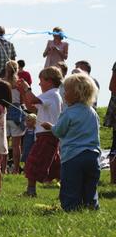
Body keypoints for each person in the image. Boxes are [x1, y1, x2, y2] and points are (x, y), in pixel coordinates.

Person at [43, 72, 102, 211]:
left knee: (71, 186)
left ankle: (70, 208)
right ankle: (91, 207)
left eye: (66, 90)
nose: (63, 93)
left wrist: (50, 127)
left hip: (73, 157)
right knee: (90, 186)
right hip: (93, 157)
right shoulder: (92, 112)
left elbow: (59, 132)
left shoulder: (68, 112)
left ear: (77, 93)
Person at [15, 65, 64, 197]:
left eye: (41, 80)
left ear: (50, 81)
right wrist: (23, 92)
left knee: (33, 161)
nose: (39, 83)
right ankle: (67, 188)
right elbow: (31, 107)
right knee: (55, 167)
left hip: (47, 135)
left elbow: (32, 100)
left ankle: (31, 191)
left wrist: (27, 88)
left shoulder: (52, 94)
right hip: (48, 135)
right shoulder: (51, 95)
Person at [2, 61, 27, 174]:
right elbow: (22, 100)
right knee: (16, 145)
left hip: (4, 114)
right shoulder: (19, 84)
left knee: (4, 144)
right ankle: (16, 169)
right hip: (16, 114)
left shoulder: (2, 82)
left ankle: (3, 169)